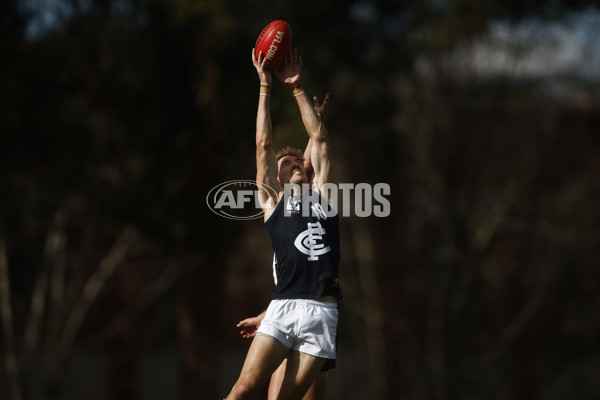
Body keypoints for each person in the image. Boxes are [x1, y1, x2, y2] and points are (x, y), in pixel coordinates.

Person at [224, 48, 341, 400]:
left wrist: (295, 87)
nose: (293, 164)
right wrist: (264, 86)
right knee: (244, 389)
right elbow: (263, 145)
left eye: (297, 161)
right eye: (285, 163)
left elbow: (319, 141)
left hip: (322, 312)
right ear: (276, 177)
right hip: (284, 306)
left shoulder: (323, 198)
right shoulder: (273, 205)